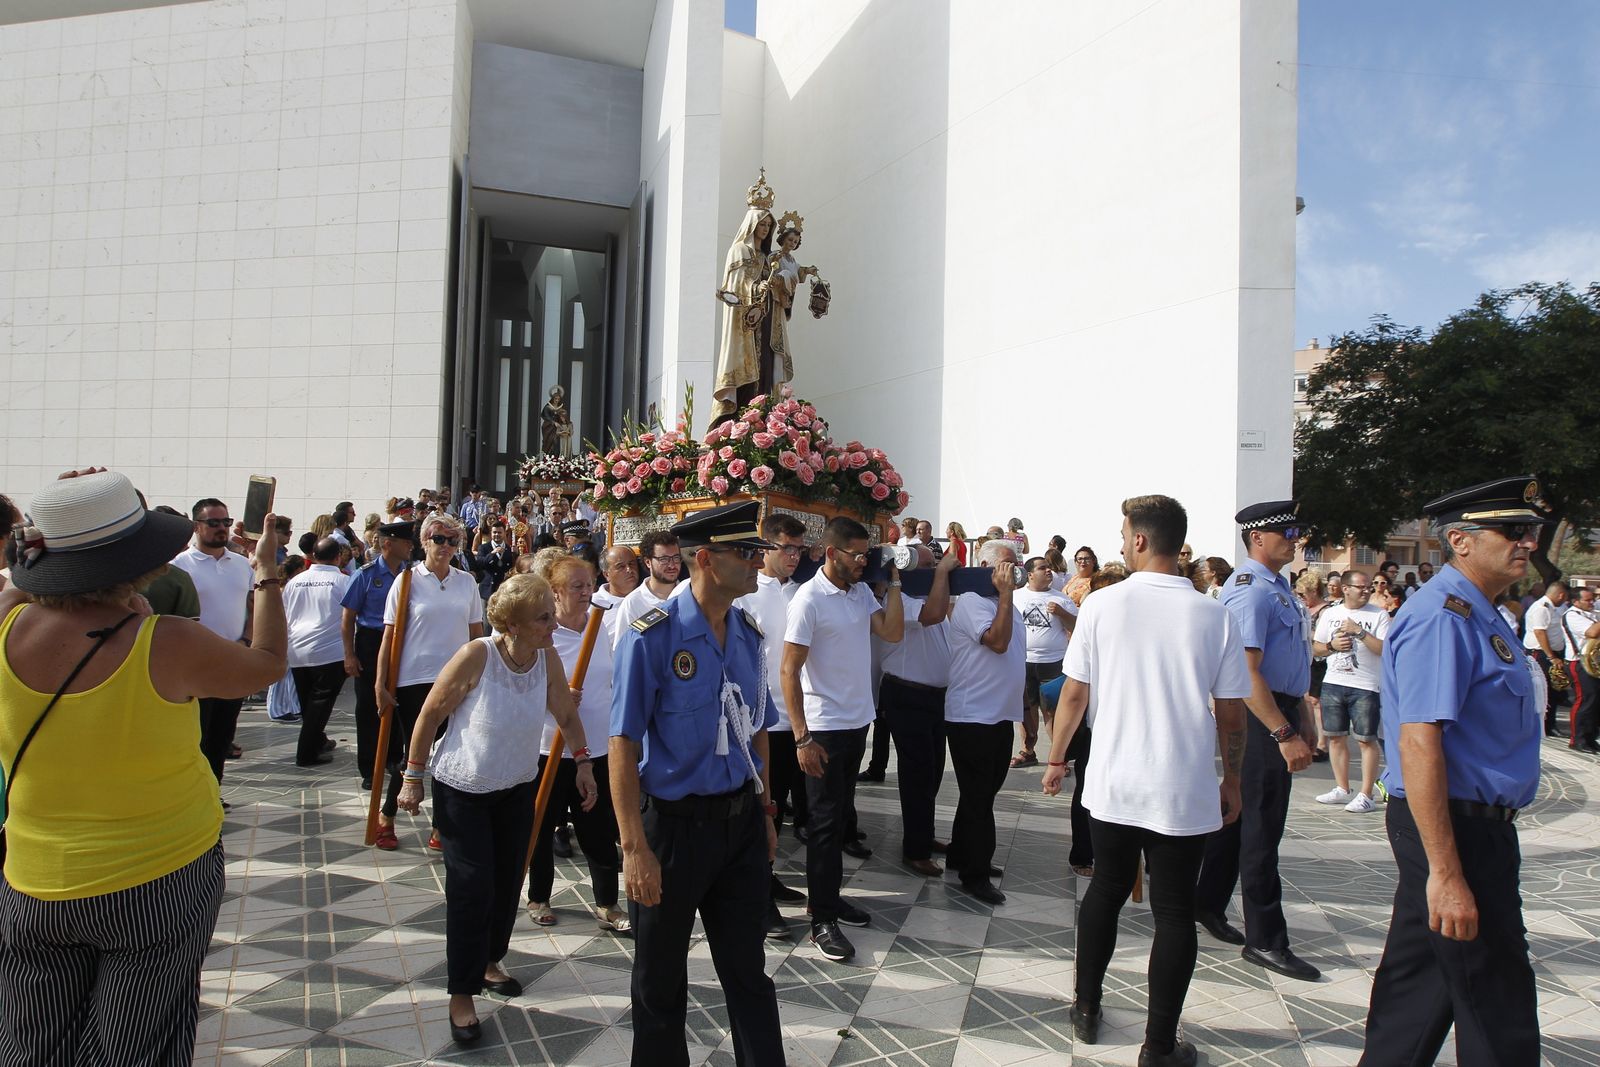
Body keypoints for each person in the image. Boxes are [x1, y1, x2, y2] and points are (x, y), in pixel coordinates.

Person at [0, 469, 287, 1064]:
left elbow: (27, 590)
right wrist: (265, 573)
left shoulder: (6, 623)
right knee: (139, 1044)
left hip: (34, 876)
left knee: (35, 1040)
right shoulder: (167, 641)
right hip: (158, 876)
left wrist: (67, 517)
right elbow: (265, 663)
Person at [1042, 494, 1251, 1067]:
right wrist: (1232, 778)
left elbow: (1074, 695)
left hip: (1114, 780)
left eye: (1122, 534)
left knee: (1106, 890)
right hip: (1181, 786)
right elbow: (1231, 713)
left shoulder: (1102, 605)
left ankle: (1086, 1006)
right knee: (1175, 911)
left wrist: (1056, 759)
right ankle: (1158, 1047)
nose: (1119, 543)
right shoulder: (1214, 614)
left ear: (1139, 539)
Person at [1358, 476, 1551, 1066]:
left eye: (1530, 531)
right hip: (1454, 826)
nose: (1527, 542)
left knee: (1418, 991)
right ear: (1461, 541)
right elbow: (1419, 743)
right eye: (1512, 531)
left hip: (1467, 824)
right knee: (1497, 1003)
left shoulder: (1478, 611)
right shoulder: (1444, 617)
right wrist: (1445, 872)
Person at [609, 501, 784, 1066]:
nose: (758, 562)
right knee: (659, 981)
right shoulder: (652, 637)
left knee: (748, 971)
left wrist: (765, 812)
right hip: (673, 831)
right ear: (705, 559)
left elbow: (758, 729)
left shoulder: (747, 633)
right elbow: (623, 741)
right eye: (747, 552)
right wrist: (634, 848)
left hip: (739, 826)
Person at [395, 572, 596, 1046]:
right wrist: (412, 777)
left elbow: (565, 712)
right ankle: (461, 994)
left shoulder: (546, 657)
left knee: (507, 881)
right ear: (513, 624)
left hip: (515, 788)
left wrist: (583, 762)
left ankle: (489, 961)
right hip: (462, 789)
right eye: (543, 618)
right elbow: (430, 713)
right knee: (472, 889)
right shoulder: (477, 655)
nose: (553, 625)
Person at [1193, 500, 1319, 981]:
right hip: (1259, 716)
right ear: (1258, 538)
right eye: (1287, 532)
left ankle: (1207, 903)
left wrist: (1300, 715)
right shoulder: (1250, 591)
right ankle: (1266, 940)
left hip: (1279, 708)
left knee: (1241, 820)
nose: (1295, 540)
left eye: (1297, 532)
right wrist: (1282, 732)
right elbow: (1246, 674)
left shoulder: (1277, 587)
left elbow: (1286, 664)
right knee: (1262, 832)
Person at [782, 516, 904, 962]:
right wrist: (802, 737)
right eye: (857, 555)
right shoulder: (808, 599)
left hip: (857, 722)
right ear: (831, 553)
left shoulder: (859, 594)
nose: (863, 562)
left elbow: (892, 632)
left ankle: (828, 900)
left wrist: (894, 583)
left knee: (839, 821)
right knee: (824, 826)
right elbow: (788, 670)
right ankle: (821, 920)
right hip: (824, 730)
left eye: (867, 556)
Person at [525, 556, 628, 933]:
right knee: (541, 826)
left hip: (597, 748)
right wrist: (554, 697)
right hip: (549, 749)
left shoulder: (601, 626)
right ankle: (539, 896)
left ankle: (607, 903)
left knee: (598, 829)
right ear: (555, 592)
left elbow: (614, 678)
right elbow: (521, 686)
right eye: (577, 587)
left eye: (589, 585)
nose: (586, 593)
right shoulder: (542, 636)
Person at [374, 514, 484, 850]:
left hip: (456, 679)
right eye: (439, 539)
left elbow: (476, 634)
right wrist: (380, 683)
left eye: (453, 541)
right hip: (414, 678)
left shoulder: (466, 582)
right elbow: (390, 635)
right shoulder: (407, 580)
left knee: (450, 754)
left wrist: (482, 677)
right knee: (414, 751)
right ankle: (387, 814)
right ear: (424, 542)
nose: (446, 546)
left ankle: (441, 825)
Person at [733, 513, 811, 937]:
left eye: (800, 549)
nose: (794, 556)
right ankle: (756, 897)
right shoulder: (745, 594)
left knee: (784, 809)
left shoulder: (802, 592)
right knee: (762, 809)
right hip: (758, 720)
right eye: (787, 548)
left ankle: (768, 875)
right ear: (766, 548)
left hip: (798, 718)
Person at [943, 539, 1026, 905]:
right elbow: (997, 642)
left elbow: (1014, 656)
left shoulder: (1008, 605)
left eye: (1016, 564)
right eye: (1006, 564)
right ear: (985, 568)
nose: (1013, 571)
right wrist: (1005, 595)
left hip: (999, 714)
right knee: (979, 797)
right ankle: (974, 873)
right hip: (973, 715)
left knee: (982, 792)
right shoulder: (973, 602)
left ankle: (960, 854)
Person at [879, 549, 958, 877]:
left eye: (934, 565)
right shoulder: (900, 599)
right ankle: (915, 850)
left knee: (933, 771)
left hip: (933, 697)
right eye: (926, 566)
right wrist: (942, 574)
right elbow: (933, 615)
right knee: (917, 775)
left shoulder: (926, 596)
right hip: (907, 694)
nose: (933, 570)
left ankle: (923, 835)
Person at [170, 497, 257, 785]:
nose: (222, 528)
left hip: (233, 660)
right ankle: (191, 794)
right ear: (197, 526)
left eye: (226, 522)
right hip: (195, 665)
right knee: (197, 736)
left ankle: (213, 793)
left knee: (222, 736)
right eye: (214, 522)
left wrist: (247, 639)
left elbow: (252, 606)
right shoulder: (178, 566)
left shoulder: (242, 565)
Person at [341, 521, 414, 791]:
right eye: (405, 542)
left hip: (402, 642)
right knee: (369, 707)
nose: (410, 547)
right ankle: (370, 767)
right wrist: (349, 654)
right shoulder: (366, 575)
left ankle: (393, 758)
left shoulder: (410, 575)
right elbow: (348, 618)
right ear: (387, 544)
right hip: (371, 642)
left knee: (397, 701)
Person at [1311, 570, 1389, 811]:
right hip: (1334, 682)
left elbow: (1384, 649)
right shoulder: (1331, 613)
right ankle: (1342, 788)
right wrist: (1332, 645)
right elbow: (1316, 648)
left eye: (1368, 586)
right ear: (1345, 589)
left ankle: (1366, 794)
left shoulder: (1379, 615)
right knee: (1335, 737)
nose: (1366, 590)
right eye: (1360, 586)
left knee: (1366, 740)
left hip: (1365, 685)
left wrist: (1360, 633)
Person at [711, 173, 777, 420]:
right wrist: (756, 288)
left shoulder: (766, 258)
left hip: (764, 320)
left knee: (765, 369)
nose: (765, 229)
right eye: (762, 224)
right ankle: (739, 419)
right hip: (744, 325)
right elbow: (737, 286)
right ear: (752, 224)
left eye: (768, 225)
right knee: (747, 371)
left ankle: (762, 418)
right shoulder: (739, 250)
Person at [282, 537, 353, 766]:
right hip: (329, 651)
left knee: (308, 703)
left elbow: (285, 614)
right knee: (320, 705)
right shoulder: (343, 581)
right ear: (338, 557)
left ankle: (318, 740)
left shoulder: (295, 581)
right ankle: (306, 752)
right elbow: (352, 617)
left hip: (297, 649)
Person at [1011, 555, 1077, 768]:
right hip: (1023, 661)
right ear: (1030, 574)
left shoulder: (1062, 599)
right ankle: (1027, 751)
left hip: (1053, 663)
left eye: (1049, 567)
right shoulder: (1014, 597)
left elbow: (1076, 627)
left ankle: (1059, 758)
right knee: (1027, 709)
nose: (1048, 571)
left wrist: (1062, 613)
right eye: (1042, 568)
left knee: (1053, 712)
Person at [612, 531, 684, 644]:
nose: (672, 565)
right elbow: (623, 648)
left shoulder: (690, 594)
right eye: (664, 559)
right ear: (648, 562)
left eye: (676, 558)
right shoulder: (633, 603)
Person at [1522, 578, 1569, 737]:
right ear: (1561, 595)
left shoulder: (1557, 608)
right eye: (1565, 596)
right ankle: (1540, 724)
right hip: (1541, 653)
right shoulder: (1541, 608)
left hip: (1554, 653)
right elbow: (1539, 632)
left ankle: (1549, 724)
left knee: (1554, 689)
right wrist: (1551, 657)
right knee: (1542, 689)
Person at [1562, 584, 1600, 753]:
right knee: (1585, 700)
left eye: (1593, 600)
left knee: (1595, 701)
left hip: (1594, 662)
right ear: (1575, 602)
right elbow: (1592, 632)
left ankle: (1590, 737)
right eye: (1588, 600)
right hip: (1579, 662)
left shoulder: (1591, 613)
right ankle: (1578, 739)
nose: (1592, 603)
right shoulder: (1572, 615)